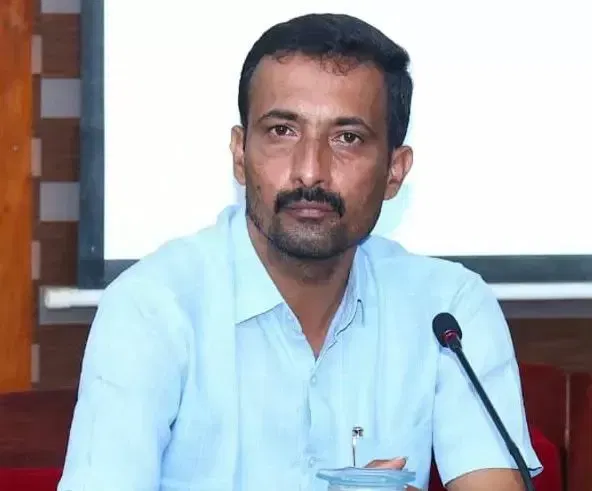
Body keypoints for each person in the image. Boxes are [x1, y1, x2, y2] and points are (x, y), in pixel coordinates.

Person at [58, 13, 542, 491]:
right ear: (239, 154)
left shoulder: (448, 311)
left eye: (347, 138)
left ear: (394, 171)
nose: (310, 172)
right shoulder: (151, 307)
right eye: (282, 132)